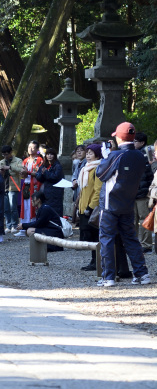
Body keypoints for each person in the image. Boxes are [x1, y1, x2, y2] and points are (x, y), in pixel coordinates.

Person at [96, 121, 150, 288]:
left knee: (107, 239)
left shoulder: (115, 156)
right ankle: (142, 274)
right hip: (128, 203)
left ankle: (108, 277)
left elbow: (101, 174)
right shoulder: (141, 156)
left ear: (118, 137)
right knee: (131, 239)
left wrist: (105, 157)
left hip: (110, 204)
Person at [77, 144, 102, 271]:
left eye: (91, 153)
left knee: (95, 235)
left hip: (91, 208)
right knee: (90, 236)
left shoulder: (98, 168)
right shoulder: (85, 168)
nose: (87, 155)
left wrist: (91, 207)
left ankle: (97, 261)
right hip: (83, 207)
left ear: (97, 155)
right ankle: (94, 260)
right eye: (87, 153)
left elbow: (98, 190)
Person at [17, 140, 44, 233]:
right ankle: (23, 227)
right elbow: (23, 175)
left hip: (35, 185)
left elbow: (38, 174)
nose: (31, 149)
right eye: (29, 147)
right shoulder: (25, 160)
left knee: (33, 206)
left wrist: (27, 172)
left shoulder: (39, 160)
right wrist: (23, 173)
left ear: (37, 149)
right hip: (26, 185)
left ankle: (32, 227)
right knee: (25, 206)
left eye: (33, 147)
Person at [133, 132, 154, 252]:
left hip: (143, 192)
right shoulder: (131, 154)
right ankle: (134, 243)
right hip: (134, 193)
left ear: (142, 142)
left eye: (135, 141)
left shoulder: (148, 153)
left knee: (143, 219)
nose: (133, 143)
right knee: (133, 220)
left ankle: (146, 244)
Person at [0, 145, 23, 232]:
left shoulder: (18, 160)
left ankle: (15, 225)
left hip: (13, 186)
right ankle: (8, 225)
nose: (5, 156)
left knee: (13, 207)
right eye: (3, 155)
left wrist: (9, 167)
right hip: (4, 186)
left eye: (6, 154)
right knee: (6, 208)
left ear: (11, 152)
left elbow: (21, 169)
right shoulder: (1, 162)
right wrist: (1, 171)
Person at [35, 148, 64, 217]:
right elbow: (38, 176)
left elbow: (55, 177)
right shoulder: (44, 165)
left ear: (54, 155)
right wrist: (42, 174)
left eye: (51, 154)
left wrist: (45, 173)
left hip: (55, 193)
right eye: (48, 154)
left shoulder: (58, 166)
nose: (49, 156)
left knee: (55, 212)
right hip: (46, 193)